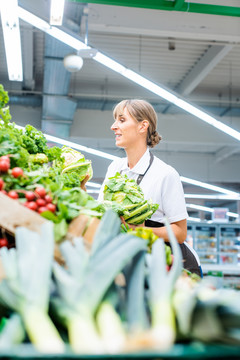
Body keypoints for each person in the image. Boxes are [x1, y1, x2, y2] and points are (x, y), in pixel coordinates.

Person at [98, 99, 202, 277]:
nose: (113, 126)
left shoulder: (165, 174)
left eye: (121, 120)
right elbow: (100, 213)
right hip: (132, 258)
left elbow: (180, 232)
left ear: (142, 126)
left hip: (170, 265)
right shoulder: (115, 167)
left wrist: (140, 230)